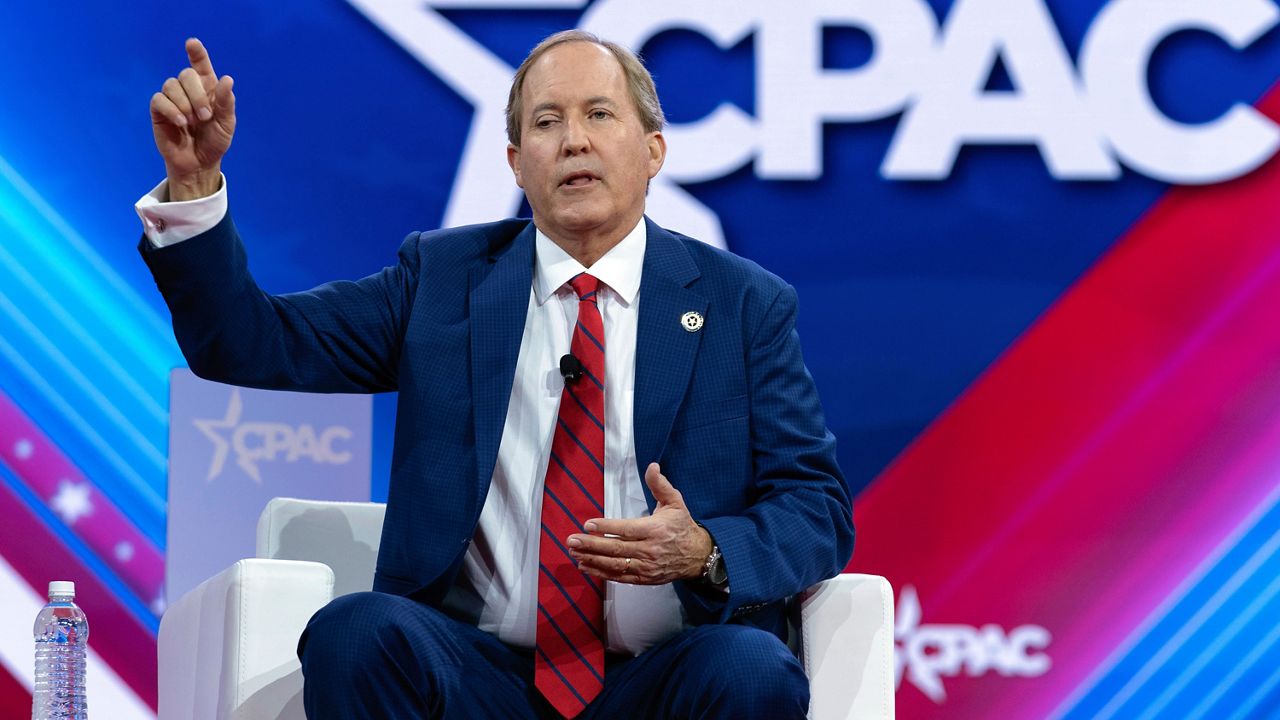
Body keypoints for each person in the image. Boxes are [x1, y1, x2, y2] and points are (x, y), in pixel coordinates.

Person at [138, 30, 854, 719]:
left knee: (750, 670)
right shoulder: (444, 283)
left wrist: (705, 550)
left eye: (599, 114)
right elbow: (253, 344)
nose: (574, 139)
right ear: (516, 162)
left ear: (654, 150)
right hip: (477, 676)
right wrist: (194, 188)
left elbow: (816, 506)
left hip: (665, 674)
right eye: (547, 122)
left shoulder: (742, 304)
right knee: (357, 633)